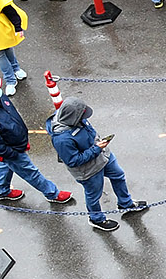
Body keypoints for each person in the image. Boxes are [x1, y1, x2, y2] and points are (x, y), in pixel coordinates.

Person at [47, 99, 148, 232]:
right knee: (94, 195)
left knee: (118, 175)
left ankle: (125, 203)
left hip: (102, 156)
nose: (85, 118)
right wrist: (96, 148)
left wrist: (99, 148)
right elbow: (73, 161)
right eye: (82, 116)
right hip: (88, 170)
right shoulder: (62, 139)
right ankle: (96, 218)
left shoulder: (75, 118)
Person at [0, 74, 70, 203]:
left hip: (15, 144)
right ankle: (52, 194)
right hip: (12, 150)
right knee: (30, 172)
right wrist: (13, 153)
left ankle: (1, 190)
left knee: (6, 165)